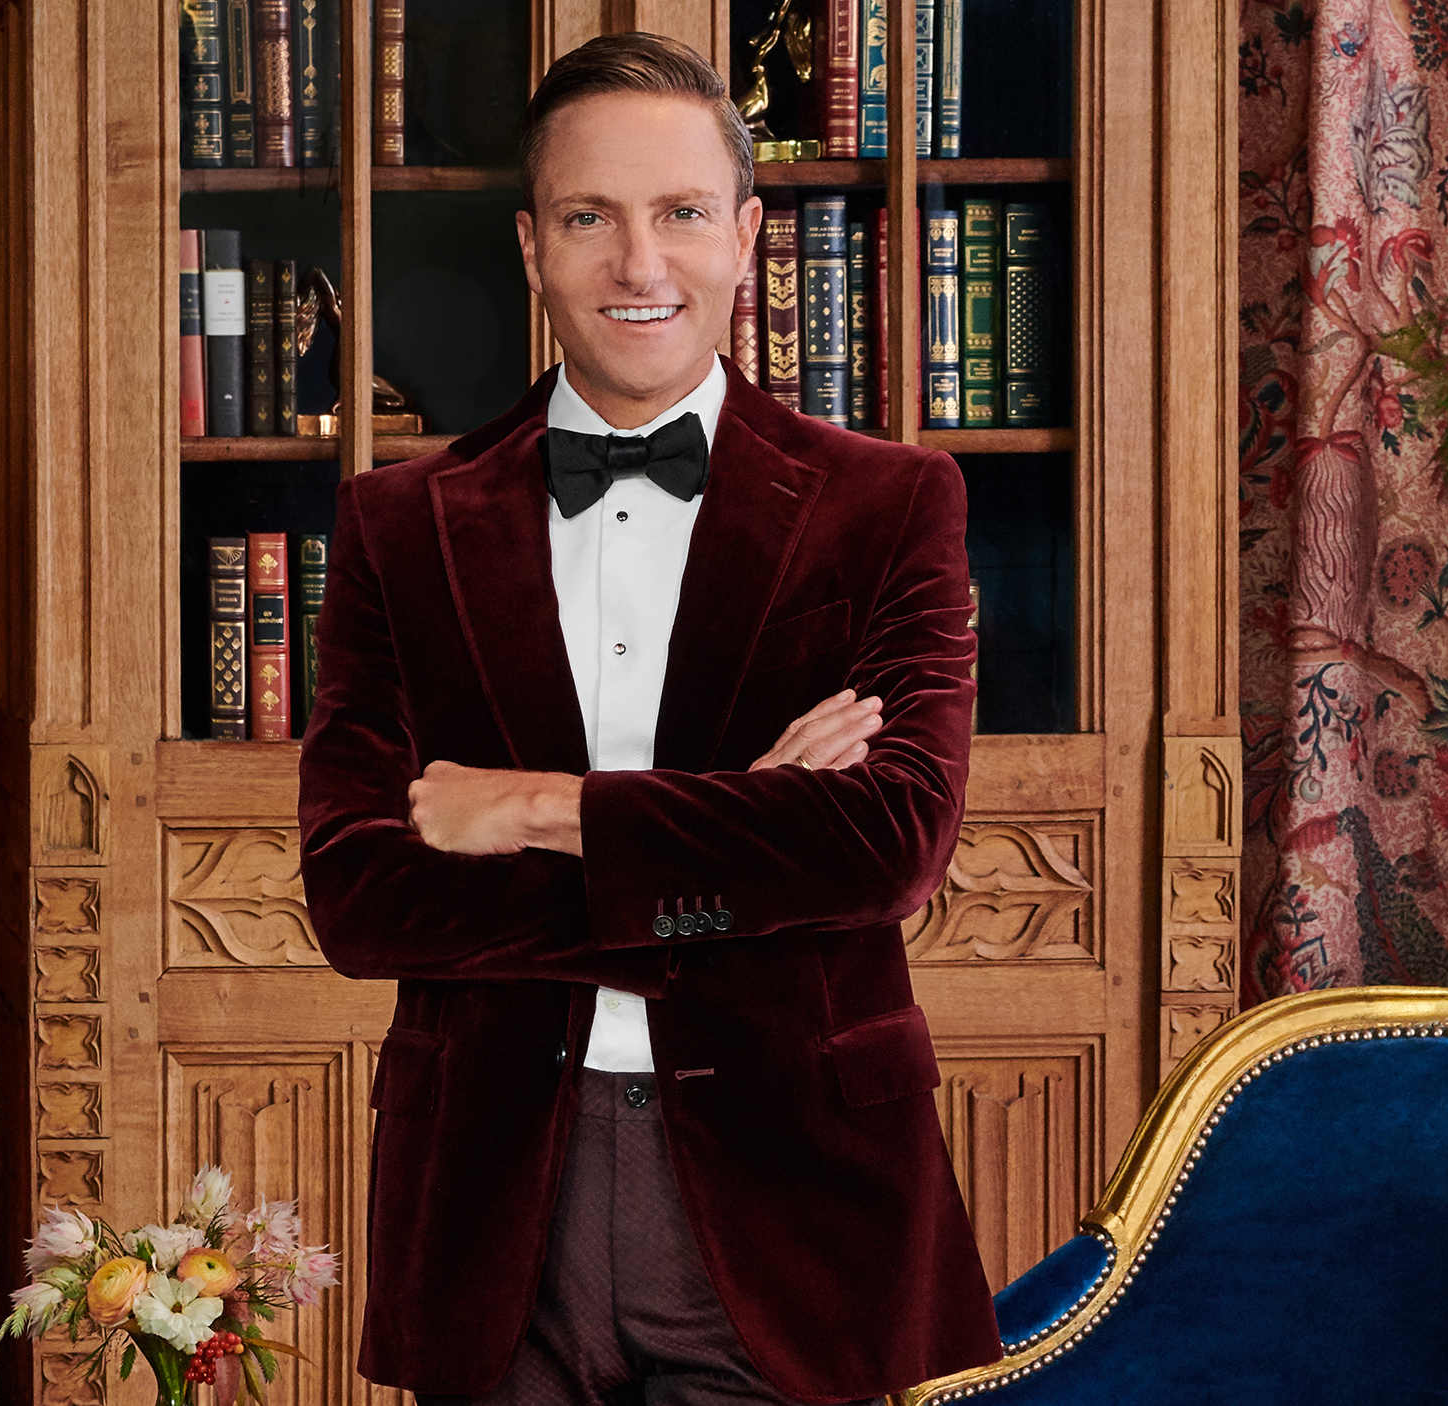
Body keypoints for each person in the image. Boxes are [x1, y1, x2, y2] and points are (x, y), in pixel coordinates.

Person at [297, 30, 1000, 1406]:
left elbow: (889, 843)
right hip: (495, 1200)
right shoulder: (398, 526)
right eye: (589, 217)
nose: (639, 264)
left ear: (745, 239)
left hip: (795, 1196)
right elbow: (361, 890)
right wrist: (748, 841)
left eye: (680, 213)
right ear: (529, 246)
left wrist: (539, 809)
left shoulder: (892, 504)